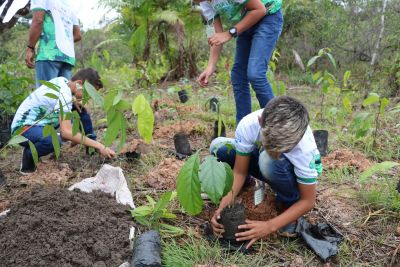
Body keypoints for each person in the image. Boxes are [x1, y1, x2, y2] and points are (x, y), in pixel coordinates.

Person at [209, 96, 322, 249]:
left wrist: (269, 226)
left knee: (268, 160)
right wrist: (223, 205)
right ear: (260, 121)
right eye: (271, 144)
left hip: (286, 174)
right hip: (266, 163)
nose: (277, 152)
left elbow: (308, 201)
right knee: (218, 147)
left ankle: (288, 202)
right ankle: (249, 183)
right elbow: (239, 172)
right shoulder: (249, 124)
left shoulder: (305, 148)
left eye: (284, 150)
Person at [11, 69, 116, 175]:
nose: (88, 98)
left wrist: (76, 133)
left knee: (80, 109)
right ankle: (29, 157)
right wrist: (100, 146)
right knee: (53, 140)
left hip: (38, 126)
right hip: (23, 129)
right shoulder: (64, 94)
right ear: (79, 83)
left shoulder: (63, 82)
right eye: (88, 93)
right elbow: (66, 133)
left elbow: (66, 133)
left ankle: (91, 150)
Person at [196, 0, 283, 124]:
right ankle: (243, 130)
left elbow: (260, 9)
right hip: (247, 19)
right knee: (238, 76)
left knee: (255, 74)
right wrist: (210, 66)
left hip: (268, 16)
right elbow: (217, 36)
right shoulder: (205, 3)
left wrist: (230, 33)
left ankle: (279, 125)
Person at [25, 0, 81, 87]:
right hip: (67, 57)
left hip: (49, 54)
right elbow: (77, 35)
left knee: (45, 97)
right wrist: (64, 40)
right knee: (61, 97)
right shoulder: (67, 5)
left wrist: (30, 48)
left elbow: (38, 20)